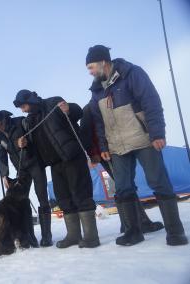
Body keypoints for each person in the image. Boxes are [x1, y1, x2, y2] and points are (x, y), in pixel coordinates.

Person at [86, 44, 188, 246]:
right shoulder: (97, 91)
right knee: (123, 188)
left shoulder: (132, 73)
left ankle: (175, 231)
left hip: (143, 138)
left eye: (91, 67)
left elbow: (151, 101)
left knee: (158, 181)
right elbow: (99, 122)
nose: (89, 72)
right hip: (117, 146)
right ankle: (134, 232)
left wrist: (157, 133)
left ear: (103, 62)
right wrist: (104, 147)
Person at [14, 90, 100, 249]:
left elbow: (78, 112)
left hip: (72, 156)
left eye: (23, 105)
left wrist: (70, 108)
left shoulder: (53, 103)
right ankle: (73, 235)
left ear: (30, 100)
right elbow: (33, 148)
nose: (23, 110)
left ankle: (91, 236)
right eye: (21, 108)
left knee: (81, 193)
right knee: (63, 198)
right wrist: (24, 145)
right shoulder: (28, 122)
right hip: (54, 163)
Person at [80, 104, 164, 235]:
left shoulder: (110, 102)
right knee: (123, 185)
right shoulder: (89, 108)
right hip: (106, 152)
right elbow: (85, 133)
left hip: (120, 147)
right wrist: (93, 153)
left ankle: (129, 224)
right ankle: (137, 223)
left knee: (126, 184)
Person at [0, 109, 52, 247]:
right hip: (21, 169)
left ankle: (47, 236)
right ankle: (28, 237)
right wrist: (4, 174)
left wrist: (27, 141)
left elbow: (37, 136)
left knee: (42, 197)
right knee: (21, 202)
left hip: (35, 164)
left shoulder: (19, 122)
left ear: (3, 119)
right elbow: (1, 155)